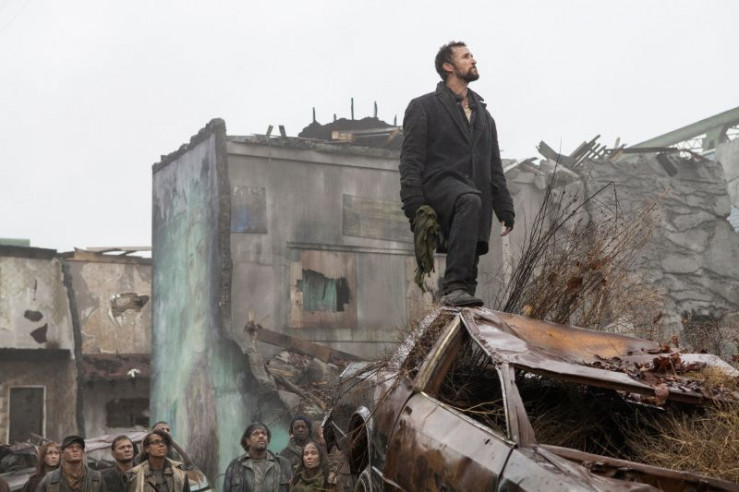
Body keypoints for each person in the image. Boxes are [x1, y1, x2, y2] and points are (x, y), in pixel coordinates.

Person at [399, 41, 515, 307]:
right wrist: (413, 203)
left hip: (476, 195)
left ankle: (460, 302)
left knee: (470, 264)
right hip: (440, 188)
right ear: (448, 66)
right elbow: (410, 159)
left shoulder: (485, 117)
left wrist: (504, 207)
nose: (473, 60)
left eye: (472, 55)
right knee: (469, 200)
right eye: (465, 56)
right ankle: (453, 288)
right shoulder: (423, 107)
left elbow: (493, 166)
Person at [223, 423, 292, 492]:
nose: (261, 436)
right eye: (256, 434)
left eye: (264, 433)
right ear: (247, 441)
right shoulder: (235, 465)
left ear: (268, 440)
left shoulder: (282, 464)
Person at [36, 435, 106, 492]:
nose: (75, 450)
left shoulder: (96, 478)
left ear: (83, 452)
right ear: (62, 453)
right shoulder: (50, 479)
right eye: (70, 447)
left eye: (79, 447)